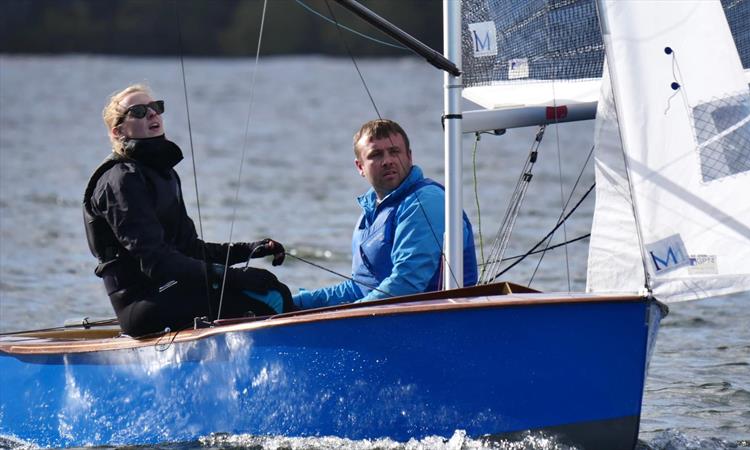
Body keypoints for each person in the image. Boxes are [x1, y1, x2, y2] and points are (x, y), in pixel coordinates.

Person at [84, 84, 292, 337]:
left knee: (273, 288)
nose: (152, 114)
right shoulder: (120, 181)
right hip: (143, 303)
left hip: (173, 288)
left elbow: (190, 249)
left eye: (156, 107)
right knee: (266, 298)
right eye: (139, 111)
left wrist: (248, 250)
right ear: (118, 132)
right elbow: (156, 262)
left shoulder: (163, 173)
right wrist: (232, 277)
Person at [293, 119, 478, 309]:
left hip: (439, 322)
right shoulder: (367, 217)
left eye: (394, 152)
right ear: (360, 167)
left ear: (409, 156)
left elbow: (407, 284)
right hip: (389, 322)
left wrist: (348, 315)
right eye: (376, 154)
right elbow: (360, 289)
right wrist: (294, 303)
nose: (387, 161)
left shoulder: (425, 201)